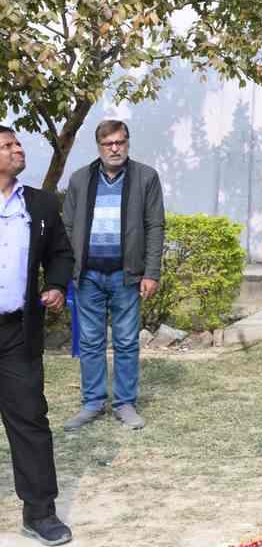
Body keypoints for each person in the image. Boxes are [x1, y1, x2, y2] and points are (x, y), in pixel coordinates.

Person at [62, 119, 165, 432]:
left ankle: (125, 403)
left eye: (120, 142)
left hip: (126, 275)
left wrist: (151, 272)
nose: (115, 149)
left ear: (127, 143)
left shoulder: (146, 177)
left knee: (126, 341)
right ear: (99, 147)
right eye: (108, 144)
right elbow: (67, 226)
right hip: (88, 275)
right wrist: (67, 269)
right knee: (90, 341)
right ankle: (93, 403)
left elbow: (155, 226)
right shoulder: (80, 179)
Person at [0, 128, 75, 546]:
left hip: (17, 331)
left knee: (29, 419)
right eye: (7, 145)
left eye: (17, 144)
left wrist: (57, 285)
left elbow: (60, 253)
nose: (17, 149)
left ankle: (40, 513)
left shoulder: (41, 204)